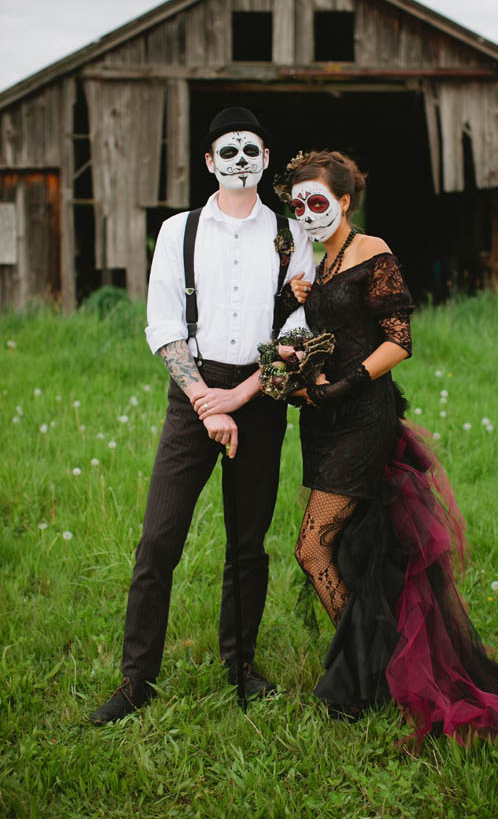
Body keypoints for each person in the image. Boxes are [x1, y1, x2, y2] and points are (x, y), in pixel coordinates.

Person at [269, 149, 498, 749]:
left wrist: (343, 387)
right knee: (356, 553)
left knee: (313, 546)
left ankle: (363, 672)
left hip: (362, 420)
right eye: (297, 205)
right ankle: (378, 666)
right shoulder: (314, 265)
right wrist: (295, 339)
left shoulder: (372, 253)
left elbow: (399, 341)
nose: (307, 213)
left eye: (318, 202)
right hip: (323, 422)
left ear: (345, 201)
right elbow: (311, 336)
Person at [90, 107, 315, 725]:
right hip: (194, 396)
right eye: (228, 151)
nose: (241, 159)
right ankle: (138, 679)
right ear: (211, 162)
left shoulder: (291, 235)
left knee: (247, 546)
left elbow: (297, 331)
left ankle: (240, 668)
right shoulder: (177, 231)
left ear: (265, 160)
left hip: (260, 397)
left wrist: (239, 399)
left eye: (252, 149)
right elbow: (163, 324)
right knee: (158, 540)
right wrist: (202, 401)